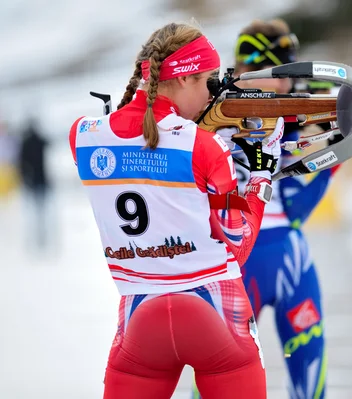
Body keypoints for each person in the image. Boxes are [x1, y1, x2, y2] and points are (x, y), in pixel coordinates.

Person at [69, 22, 284, 399]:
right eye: (209, 82)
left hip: (139, 315)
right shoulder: (204, 148)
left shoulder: (82, 136)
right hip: (217, 311)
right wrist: (262, 174)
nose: (212, 95)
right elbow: (238, 243)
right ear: (184, 79)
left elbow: (142, 148)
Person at [193, 19, 340, 399]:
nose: (290, 85)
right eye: (284, 72)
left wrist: (333, 149)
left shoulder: (284, 114)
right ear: (257, 67)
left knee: (310, 385)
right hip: (233, 265)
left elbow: (293, 210)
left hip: (280, 260)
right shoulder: (209, 114)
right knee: (217, 387)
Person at [18, 118, 49, 249]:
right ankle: (40, 236)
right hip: (41, 179)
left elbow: (21, 163)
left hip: (32, 180)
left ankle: (37, 237)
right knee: (41, 211)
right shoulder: (39, 141)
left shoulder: (25, 143)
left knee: (34, 211)